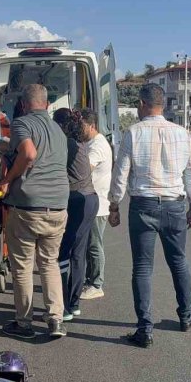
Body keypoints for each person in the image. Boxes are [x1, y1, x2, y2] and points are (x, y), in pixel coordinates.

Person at [109, 83, 191, 349]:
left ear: (141, 104)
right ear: (163, 105)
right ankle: (185, 315)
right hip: (174, 205)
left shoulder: (134, 132)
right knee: (179, 261)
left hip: (143, 206)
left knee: (142, 267)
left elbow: (121, 173)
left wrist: (114, 205)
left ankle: (145, 329)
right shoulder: (182, 133)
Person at [0, 84, 69, 339]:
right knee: (49, 263)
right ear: (46, 104)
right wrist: (1, 145)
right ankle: (55, 319)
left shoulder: (22, 123)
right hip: (58, 205)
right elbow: (32, 151)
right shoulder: (58, 129)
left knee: (22, 265)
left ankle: (24, 323)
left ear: (22, 104)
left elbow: (29, 153)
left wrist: (8, 179)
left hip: (28, 206)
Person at [52, 108, 98, 321]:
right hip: (89, 199)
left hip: (77, 200)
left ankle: (65, 306)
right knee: (78, 254)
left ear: (60, 126)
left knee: (63, 253)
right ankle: (74, 303)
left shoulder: (67, 145)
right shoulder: (77, 143)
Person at [79, 109, 112, 301]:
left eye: (82, 126)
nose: (80, 130)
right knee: (89, 245)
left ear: (91, 126)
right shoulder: (90, 143)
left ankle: (96, 284)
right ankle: (90, 280)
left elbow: (84, 170)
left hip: (97, 204)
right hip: (92, 202)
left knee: (94, 245)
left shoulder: (97, 146)